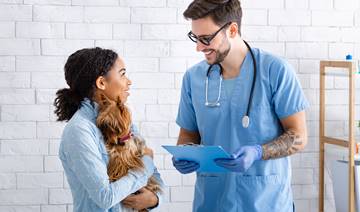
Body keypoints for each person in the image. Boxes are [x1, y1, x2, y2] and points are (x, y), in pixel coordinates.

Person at [172, 0, 309, 211]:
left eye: (206, 39)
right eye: (195, 38)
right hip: (212, 202)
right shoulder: (193, 78)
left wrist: (258, 152)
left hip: (265, 202)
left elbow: (298, 137)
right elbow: (188, 135)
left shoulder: (275, 71)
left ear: (232, 30)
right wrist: (184, 154)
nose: (199, 47)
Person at [54, 47, 164, 212]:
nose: (129, 81)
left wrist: (154, 200)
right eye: (122, 73)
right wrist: (146, 164)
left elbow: (156, 181)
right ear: (101, 83)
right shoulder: (79, 131)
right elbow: (105, 197)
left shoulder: (125, 121)